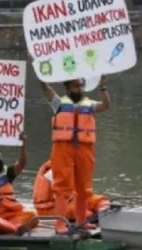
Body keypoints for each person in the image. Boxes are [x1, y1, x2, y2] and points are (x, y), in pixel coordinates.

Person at [38, 75, 111, 234]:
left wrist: (103, 87)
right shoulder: (58, 103)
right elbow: (45, 88)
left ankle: (81, 221)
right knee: (62, 188)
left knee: (84, 188)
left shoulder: (90, 104)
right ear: (68, 88)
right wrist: (40, 69)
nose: (79, 89)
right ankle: (60, 225)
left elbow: (106, 105)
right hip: (63, 148)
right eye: (76, 86)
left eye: (81, 86)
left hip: (85, 149)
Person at [33, 159, 110, 221]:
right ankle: (91, 217)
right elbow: (61, 196)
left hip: (69, 201)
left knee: (94, 200)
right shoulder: (53, 172)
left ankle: (105, 209)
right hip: (50, 209)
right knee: (77, 209)